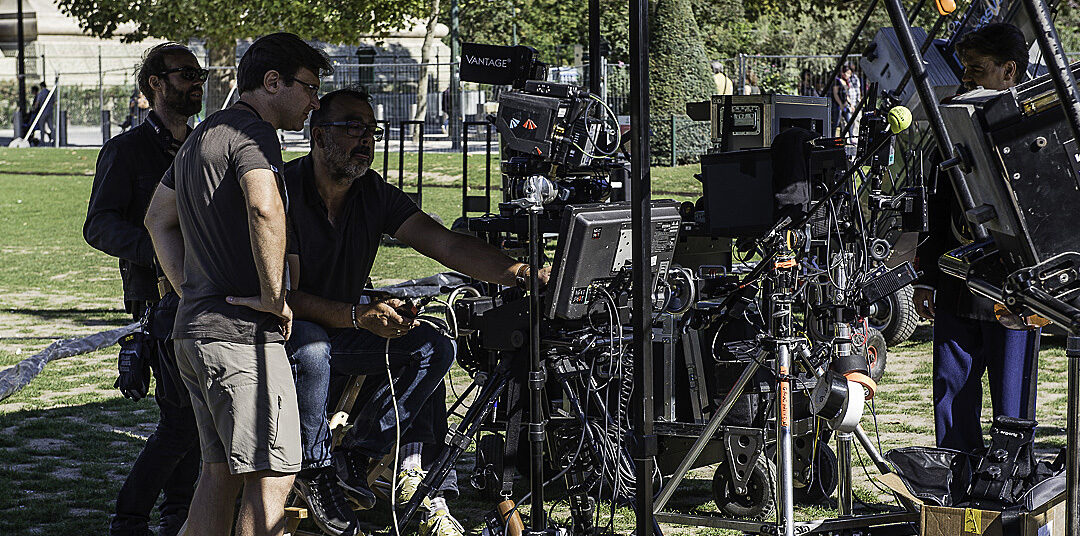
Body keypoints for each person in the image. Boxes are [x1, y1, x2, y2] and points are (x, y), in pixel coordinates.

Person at [283, 87, 549, 536]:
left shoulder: (373, 193)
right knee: (313, 349)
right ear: (316, 134)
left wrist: (519, 272)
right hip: (290, 330)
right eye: (352, 127)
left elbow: (444, 243)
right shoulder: (282, 190)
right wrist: (358, 315)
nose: (365, 139)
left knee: (432, 345)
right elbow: (281, 296)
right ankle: (316, 470)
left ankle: (360, 455)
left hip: (345, 327)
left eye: (372, 130)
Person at [143, 32, 330, 536]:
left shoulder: (203, 136)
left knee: (220, 473)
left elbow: (158, 218)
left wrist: (189, 291)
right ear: (272, 82)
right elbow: (263, 205)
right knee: (274, 471)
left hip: (195, 334)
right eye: (309, 88)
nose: (315, 102)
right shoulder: (253, 134)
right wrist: (275, 297)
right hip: (239, 337)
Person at [84, 42, 207, 536]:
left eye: (199, 73)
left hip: (202, 295)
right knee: (182, 418)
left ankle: (177, 512)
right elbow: (98, 226)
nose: (197, 81)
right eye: (185, 74)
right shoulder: (125, 150)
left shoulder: (202, 143)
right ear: (156, 83)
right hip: (156, 300)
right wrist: (160, 249)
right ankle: (130, 518)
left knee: (195, 416)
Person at [912, 22, 1039, 455]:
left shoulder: (1035, 131)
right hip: (957, 289)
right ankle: (956, 484)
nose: (967, 79)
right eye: (965, 69)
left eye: (978, 70)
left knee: (1012, 409)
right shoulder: (953, 123)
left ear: (1009, 71)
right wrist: (927, 277)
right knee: (951, 398)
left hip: (1014, 293)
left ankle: (1010, 490)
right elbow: (937, 207)